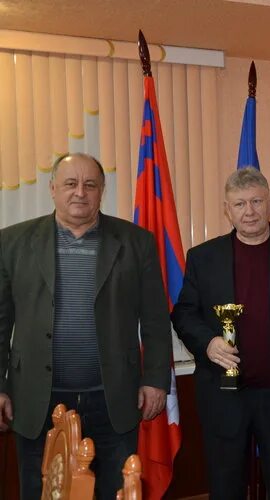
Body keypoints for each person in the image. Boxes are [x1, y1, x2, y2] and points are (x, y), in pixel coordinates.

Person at [0, 153, 172, 499]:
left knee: (115, 490)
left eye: (90, 184)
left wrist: (155, 379)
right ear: (52, 189)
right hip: (37, 400)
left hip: (113, 400)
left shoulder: (136, 242)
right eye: (70, 183)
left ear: (101, 191)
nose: (80, 192)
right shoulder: (12, 243)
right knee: (41, 491)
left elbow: (154, 317)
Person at [171, 167, 270, 500]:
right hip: (225, 397)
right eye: (239, 204)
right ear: (227, 209)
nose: (249, 211)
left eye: (256, 201)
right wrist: (208, 343)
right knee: (225, 489)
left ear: (269, 202)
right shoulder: (203, 257)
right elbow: (184, 313)